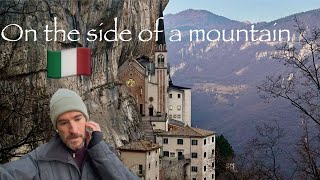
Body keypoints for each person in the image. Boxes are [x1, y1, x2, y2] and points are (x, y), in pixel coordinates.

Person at [0, 88, 139, 180]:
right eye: (64, 123)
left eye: (77, 119)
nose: (72, 129)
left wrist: (100, 152)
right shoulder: (40, 159)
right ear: (56, 128)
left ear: (87, 120)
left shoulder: (104, 155)